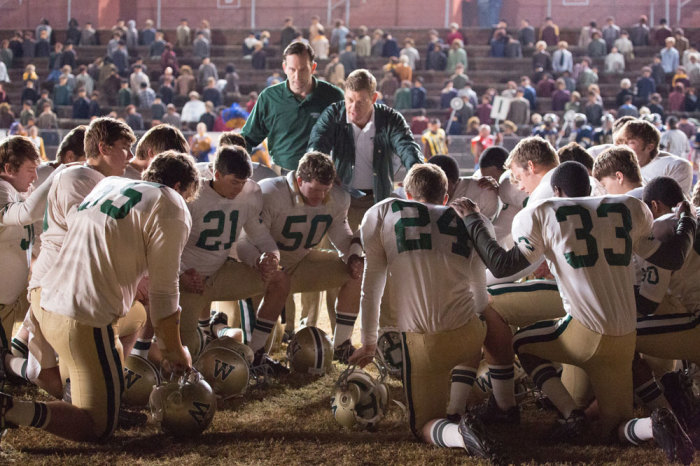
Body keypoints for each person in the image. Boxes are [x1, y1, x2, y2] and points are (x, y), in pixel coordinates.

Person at [452, 160, 695, 462]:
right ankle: (651, 425)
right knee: (614, 429)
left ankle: (569, 415)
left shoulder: (542, 213)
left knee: (524, 343)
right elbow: (672, 257)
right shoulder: (629, 208)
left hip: (584, 332)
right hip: (624, 338)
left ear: (556, 190)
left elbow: (502, 265)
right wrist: (687, 221)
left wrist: (474, 220)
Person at [1, 151, 199, 443]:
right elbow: (164, 292)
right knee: (98, 424)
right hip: (81, 316)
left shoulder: (112, 184)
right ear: (180, 186)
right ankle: (12, 409)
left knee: (135, 317)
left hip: (46, 300)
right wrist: (174, 349)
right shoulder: (171, 203)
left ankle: (91, 380)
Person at [236, 152, 364, 361]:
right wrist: (259, 261)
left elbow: (342, 238)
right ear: (298, 180)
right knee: (261, 341)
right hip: (259, 266)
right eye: (314, 189)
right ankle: (257, 354)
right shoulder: (271, 192)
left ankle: (341, 345)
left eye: (326, 190)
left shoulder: (338, 198)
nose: (321, 196)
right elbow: (245, 241)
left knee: (354, 273)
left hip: (299, 261)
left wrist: (354, 256)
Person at [177, 145, 288, 369]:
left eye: (243, 182)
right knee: (187, 353)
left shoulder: (250, 193)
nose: (239, 188)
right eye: (234, 182)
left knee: (279, 279)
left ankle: (256, 354)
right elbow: (168, 247)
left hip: (220, 272)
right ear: (216, 174)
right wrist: (180, 274)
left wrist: (269, 257)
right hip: (188, 279)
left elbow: (259, 236)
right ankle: (211, 331)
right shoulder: (191, 195)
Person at [308, 68, 424, 226]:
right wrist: (321, 169)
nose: (353, 108)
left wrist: (417, 170)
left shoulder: (391, 118)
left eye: (360, 102)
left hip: (378, 199)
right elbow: (317, 143)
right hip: (340, 197)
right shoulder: (333, 114)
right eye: (349, 100)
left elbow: (406, 145)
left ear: (374, 98)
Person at [242, 41, 343, 174]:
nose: (297, 76)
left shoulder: (333, 96)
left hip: (321, 178)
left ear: (313, 67)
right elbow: (248, 138)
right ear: (284, 67)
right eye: (292, 69)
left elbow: (346, 140)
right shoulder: (269, 98)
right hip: (281, 176)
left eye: (303, 70)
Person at [615, 119, 692, 195]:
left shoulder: (674, 165)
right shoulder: (617, 166)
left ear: (649, 147)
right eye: (622, 142)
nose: (623, 147)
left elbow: (673, 203)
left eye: (631, 142)